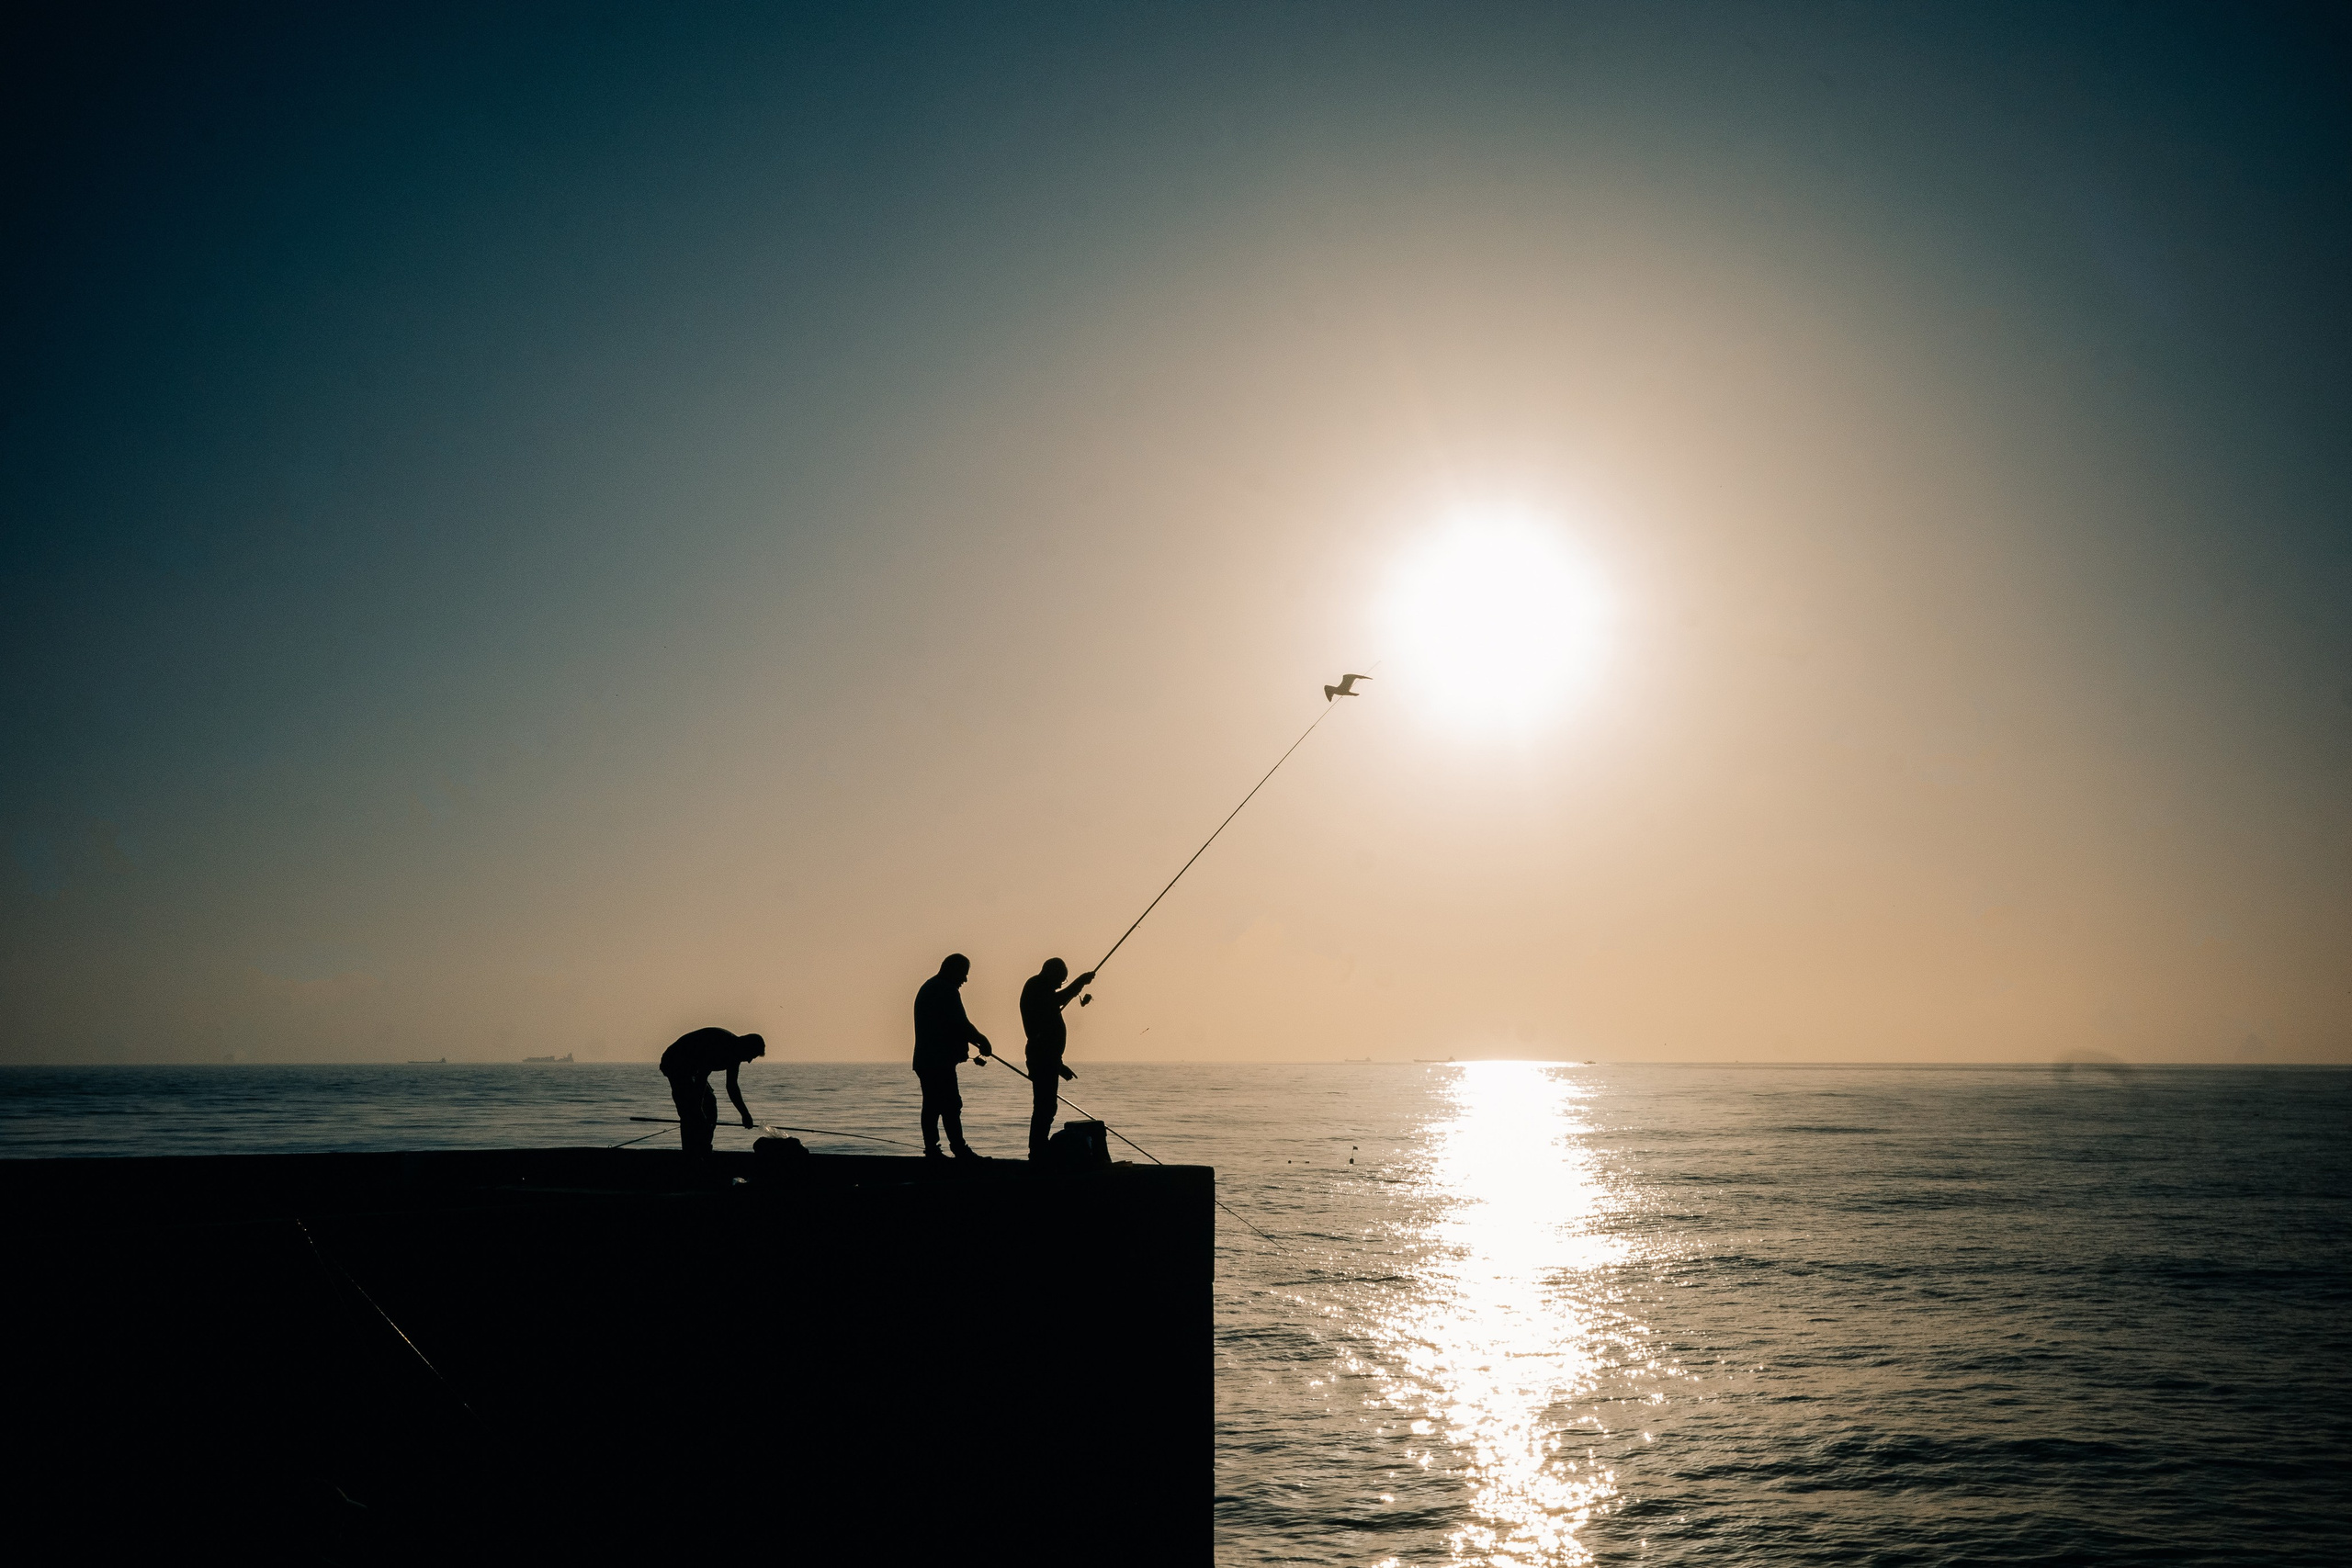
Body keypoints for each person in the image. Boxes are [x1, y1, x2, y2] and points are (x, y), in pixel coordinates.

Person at [911, 953, 992, 1158]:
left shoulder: (931, 987)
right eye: (964, 974)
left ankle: (934, 1149)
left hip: (927, 1060)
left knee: (933, 1105)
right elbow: (960, 1023)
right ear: (953, 970)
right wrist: (982, 1039)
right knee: (949, 1105)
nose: (965, 980)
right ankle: (957, 1149)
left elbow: (950, 1024)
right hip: (938, 1061)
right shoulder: (946, 990)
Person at [1018, 957, 1095, 1159]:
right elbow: (1055, 1002)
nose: (1060, 984)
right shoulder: (1035, 986)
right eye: (1060, 979)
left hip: (1048, 1058)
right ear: (1050, 973)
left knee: (1047, 1105)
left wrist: (1059, 1066)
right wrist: (1080, 982)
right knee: (1044, 1106)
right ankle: (1037, 1151)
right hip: (1041, 1057)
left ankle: (1039, 1148)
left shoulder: (1043, 991)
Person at [659, 1026, 765, 1158]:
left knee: (709, 1105)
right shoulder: (723, 1046)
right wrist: (698, 1110)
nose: (749, 1061)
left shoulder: (735, 1055)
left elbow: (732, 1087)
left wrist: (744, 1113)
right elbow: (702, 1078)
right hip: (675, 1062)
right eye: (751, 1056)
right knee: (690, 1111)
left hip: (693, 1070)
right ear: (746, 1047)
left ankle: (704, 1148)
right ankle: (691, 1155)